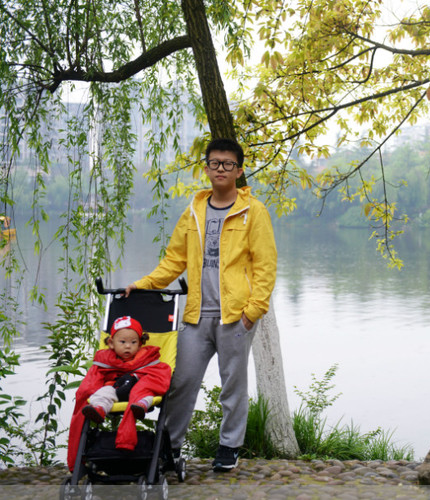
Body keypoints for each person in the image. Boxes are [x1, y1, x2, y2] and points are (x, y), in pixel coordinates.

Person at [125, 137, 277, 472]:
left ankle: (229, 446)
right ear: (206, 167)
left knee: (232, 385)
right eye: (215, 163)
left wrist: (253, 312)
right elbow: (173, 261)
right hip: (196, 315)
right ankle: (169, 447)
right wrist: (142, 285)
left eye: (228, 164)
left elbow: (266, 266)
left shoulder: (254, 211)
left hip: (235, 316)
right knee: (181, 382)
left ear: (238, 170)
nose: (220, 169)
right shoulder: (194, 210)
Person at [67, 316, 172, 471]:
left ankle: (140, 406)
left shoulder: (148, 359)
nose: (128, 347)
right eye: (122, 342)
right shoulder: (105, 360)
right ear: (111, 343)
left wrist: (138, 379)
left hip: (140, 390)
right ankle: (99, 409)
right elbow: (94, 380)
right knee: (103, 393)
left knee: (145, 392)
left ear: (141, 343)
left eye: (133, 342)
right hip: (115, 389)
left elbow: (159, 377)